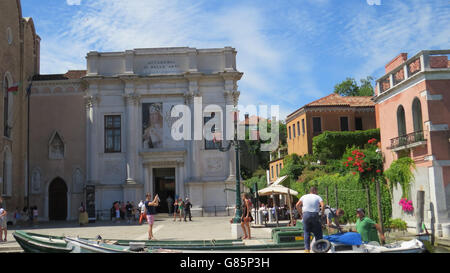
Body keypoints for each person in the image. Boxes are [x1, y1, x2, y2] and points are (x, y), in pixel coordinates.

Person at [296, 186, 325, 253]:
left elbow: (297, 205)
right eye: (317, 191)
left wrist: (301, 213)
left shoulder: (304, 196)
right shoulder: (318, 197)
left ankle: (307, 250)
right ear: (315, 191)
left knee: (306, 232)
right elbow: (323, 205)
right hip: (315, 215)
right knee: (318, 233)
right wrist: (322, 214)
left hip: (306, 215)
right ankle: (319, 249)